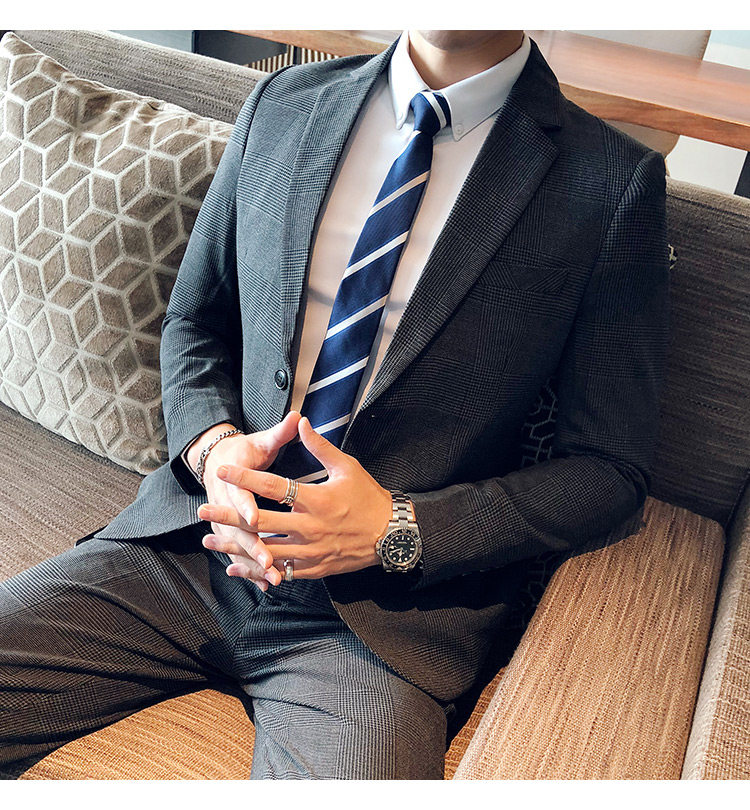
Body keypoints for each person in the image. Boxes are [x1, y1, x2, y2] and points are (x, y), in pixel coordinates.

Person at [0, 29, 669, 779]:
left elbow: (610, 469)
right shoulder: (282, 103)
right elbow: (195, 320)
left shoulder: (611, 182)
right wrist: (213, 449)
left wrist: (397, 529)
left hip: (378, 623)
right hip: (193, 550)